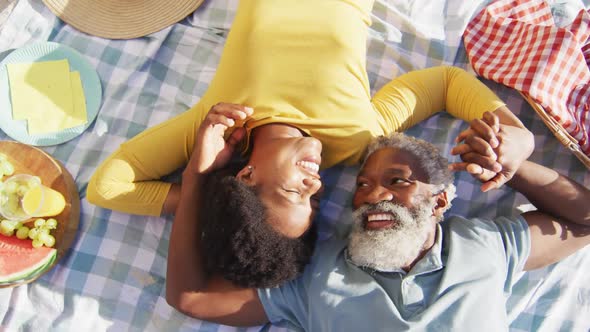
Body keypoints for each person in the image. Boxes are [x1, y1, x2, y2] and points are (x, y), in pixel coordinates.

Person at [87, 0, 526, 287]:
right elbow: (447, 84)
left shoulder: (220, 122)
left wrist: (200, 177)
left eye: (294, 191)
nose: (317, 185)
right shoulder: (357, 138)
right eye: (313, 202)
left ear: (245, 176)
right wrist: (515, 135)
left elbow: (106, 187)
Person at [163, 112, 590, 330]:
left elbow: (584, 219)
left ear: (440, 201)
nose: (371, 195)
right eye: (362, 185)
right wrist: (196, 175)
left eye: (397, 181)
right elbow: (192, 297)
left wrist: (516, 167)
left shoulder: (483, 246)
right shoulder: (317, 275)